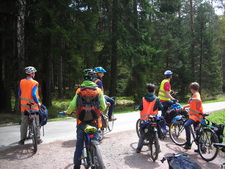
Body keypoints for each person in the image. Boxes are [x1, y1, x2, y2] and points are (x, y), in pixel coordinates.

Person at [64, 69, 106, 169]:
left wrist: (68, 112)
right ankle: (95, 159)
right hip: (94, 121)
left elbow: (73, 105)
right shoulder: (98, 90)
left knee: (79, 145)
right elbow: (103, 107)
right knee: (95, 140)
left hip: (81, 122)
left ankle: (77, 166)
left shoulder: (79, 91)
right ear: (93, 78)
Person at [136, 83, 164, 153]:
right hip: (154, 119)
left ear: (147, 91)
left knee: (142, 133)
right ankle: (158, 148)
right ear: (154, 91)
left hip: (145, 120)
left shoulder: (143, 99)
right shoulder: (156, 99)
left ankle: (139, 148)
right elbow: (161, 107)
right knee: (157, 131)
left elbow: (140, 107)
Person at [18, 66, 42, 145]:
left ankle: (22, 140)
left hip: (24, 107)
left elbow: (19, 94)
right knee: (36, 122)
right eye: (34, 73)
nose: (34, 74)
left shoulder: (21, 82)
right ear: (31, 74)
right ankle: (38, 138)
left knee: (24, 123)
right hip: (33, 106)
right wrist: (38, 102)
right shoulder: (34, 83)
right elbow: (33, 94)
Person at [183, 82, 203, 150]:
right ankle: (201, 148)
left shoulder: (196, 94)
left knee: (186, 125)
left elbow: (198, 100)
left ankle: (188, 143)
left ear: (192, 89)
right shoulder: (194, 95)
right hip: (197, 116)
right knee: (196, 131)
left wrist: (191, 99)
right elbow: (192, 104)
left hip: (195, 116)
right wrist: (185, 106)